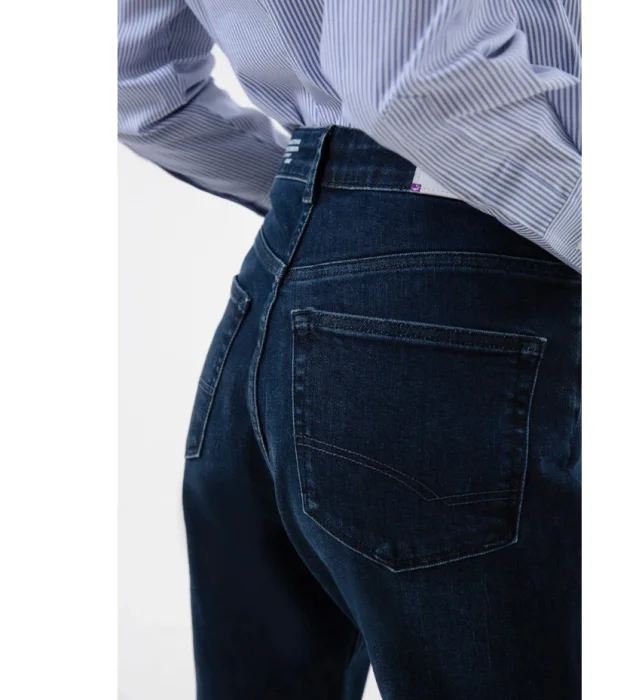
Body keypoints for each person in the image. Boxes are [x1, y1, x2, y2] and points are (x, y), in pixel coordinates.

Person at [118, 2, 581, 698]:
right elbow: (406, 73)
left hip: (280, 289)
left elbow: (138, 86)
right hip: (465, 291)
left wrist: (336, 201)